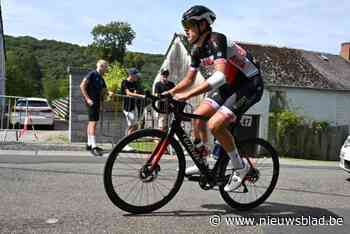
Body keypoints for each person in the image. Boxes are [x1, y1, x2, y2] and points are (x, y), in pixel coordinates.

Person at [163, 6, 264, 192]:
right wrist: (171, 93)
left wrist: (187, 95)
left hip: (248, 85)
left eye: (189, 25)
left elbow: (219, 77)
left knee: (215, 125)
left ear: (203, 25)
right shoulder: (196, 49)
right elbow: (189, 79)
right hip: (228, 87)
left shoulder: (217, 40)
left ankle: (241, 167)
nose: (186, 30)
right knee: (197, 116)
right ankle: (204, 160)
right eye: (184, 26)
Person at [80, 59, 110, 157]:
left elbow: (105, 91)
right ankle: (94, 146)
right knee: (93, 123)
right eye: (105, 67)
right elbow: (82, 86)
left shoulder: (101, 78)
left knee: (91, 123)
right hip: (91, 102)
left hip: (96, 102)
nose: (106, 69)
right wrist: (88, 99)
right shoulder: (92, 74)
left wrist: (109, 93)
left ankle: (89, 144)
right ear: (100, 66)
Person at [121, 68, 145, 139]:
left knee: (135, 125)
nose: (137, 77)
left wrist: (135, 94)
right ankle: (126, 143)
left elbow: (134, 93)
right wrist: (141, 96)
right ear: (131, 75)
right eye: (136, 75)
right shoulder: (124, 82)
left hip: (134, 106)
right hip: (127, 107)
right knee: (130, 125)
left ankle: (128, 140)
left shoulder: (134, 83)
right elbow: (128, 93)